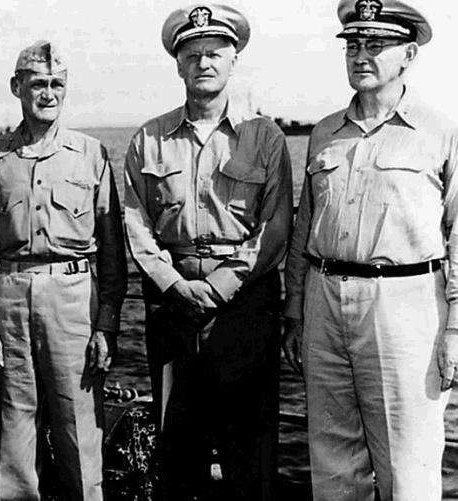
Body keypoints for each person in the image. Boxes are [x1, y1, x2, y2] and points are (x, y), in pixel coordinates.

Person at [282, 1, 458, 500]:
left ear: (409, 55)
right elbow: (304, 229)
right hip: (324, 301)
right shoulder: (325, 132)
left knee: (408, 468)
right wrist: (294, 310)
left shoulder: (442, 133)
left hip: (405, 307)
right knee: (332, 465)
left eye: (377, 45)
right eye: (354, 45)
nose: (361, 56)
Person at [123, 4, 293, 499]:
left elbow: (275, 226)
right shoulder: (149, 138)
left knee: (249, 452)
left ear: (233, 61)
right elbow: (135, 222)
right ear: (178, 65)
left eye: (215, 53)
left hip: (245, 305)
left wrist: (220, 285)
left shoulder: (265, 137)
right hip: (172, 307)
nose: (204, 63)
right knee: (178, 450)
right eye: (192, 54)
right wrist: (174, 284)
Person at [0, 40, 127, 500]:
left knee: (80, 427)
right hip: (10, 297)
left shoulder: (91, 154)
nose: (48, 93)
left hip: (74, 300)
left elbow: (113, 253)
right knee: (15, 426)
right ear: (17, 87)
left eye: (57, 84)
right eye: (38, 84)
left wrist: (107, 325)